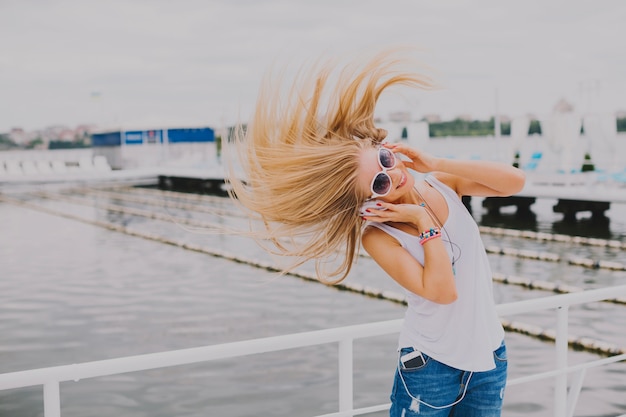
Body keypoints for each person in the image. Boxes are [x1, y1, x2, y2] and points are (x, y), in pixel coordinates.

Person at [226, 49, 526, 416]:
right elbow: (443, 292)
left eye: (386, 159)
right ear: (368, 200)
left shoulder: (442, 184)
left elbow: (515, 181)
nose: (394, 174)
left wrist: (435, 162)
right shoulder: (379, 236)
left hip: (489, 354)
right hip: (431, 366)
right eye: (380, 181)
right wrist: (422, 222)